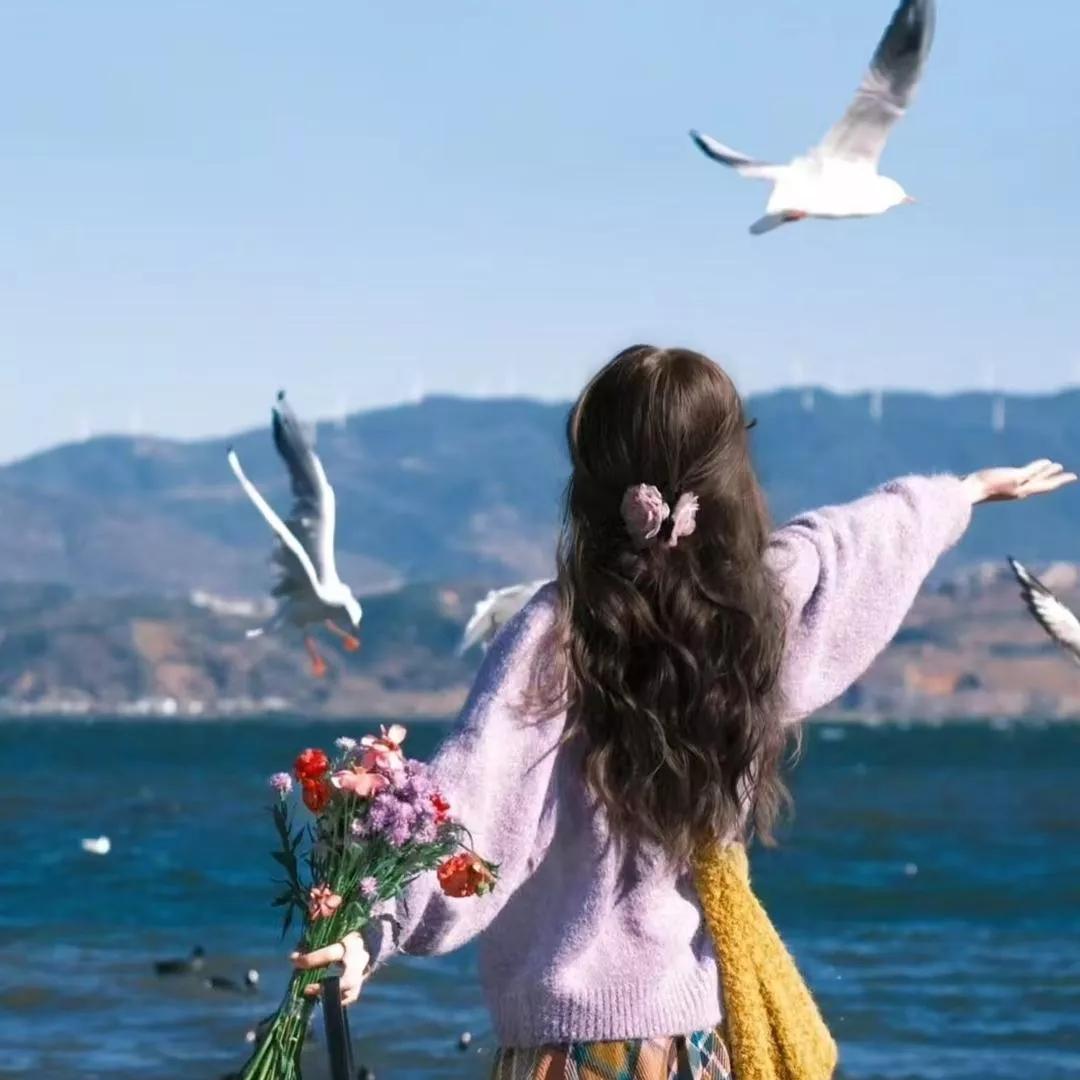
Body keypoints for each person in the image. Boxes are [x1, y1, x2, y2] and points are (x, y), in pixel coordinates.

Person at [293, 346, 1075, 1078]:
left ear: (593, 479)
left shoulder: (562, 631)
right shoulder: (754, 613)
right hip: (701, 1043)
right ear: (728, 473)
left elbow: (476, 802)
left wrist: (370, 928)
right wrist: (962, 493)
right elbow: (849, 545)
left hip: (569, 1050)